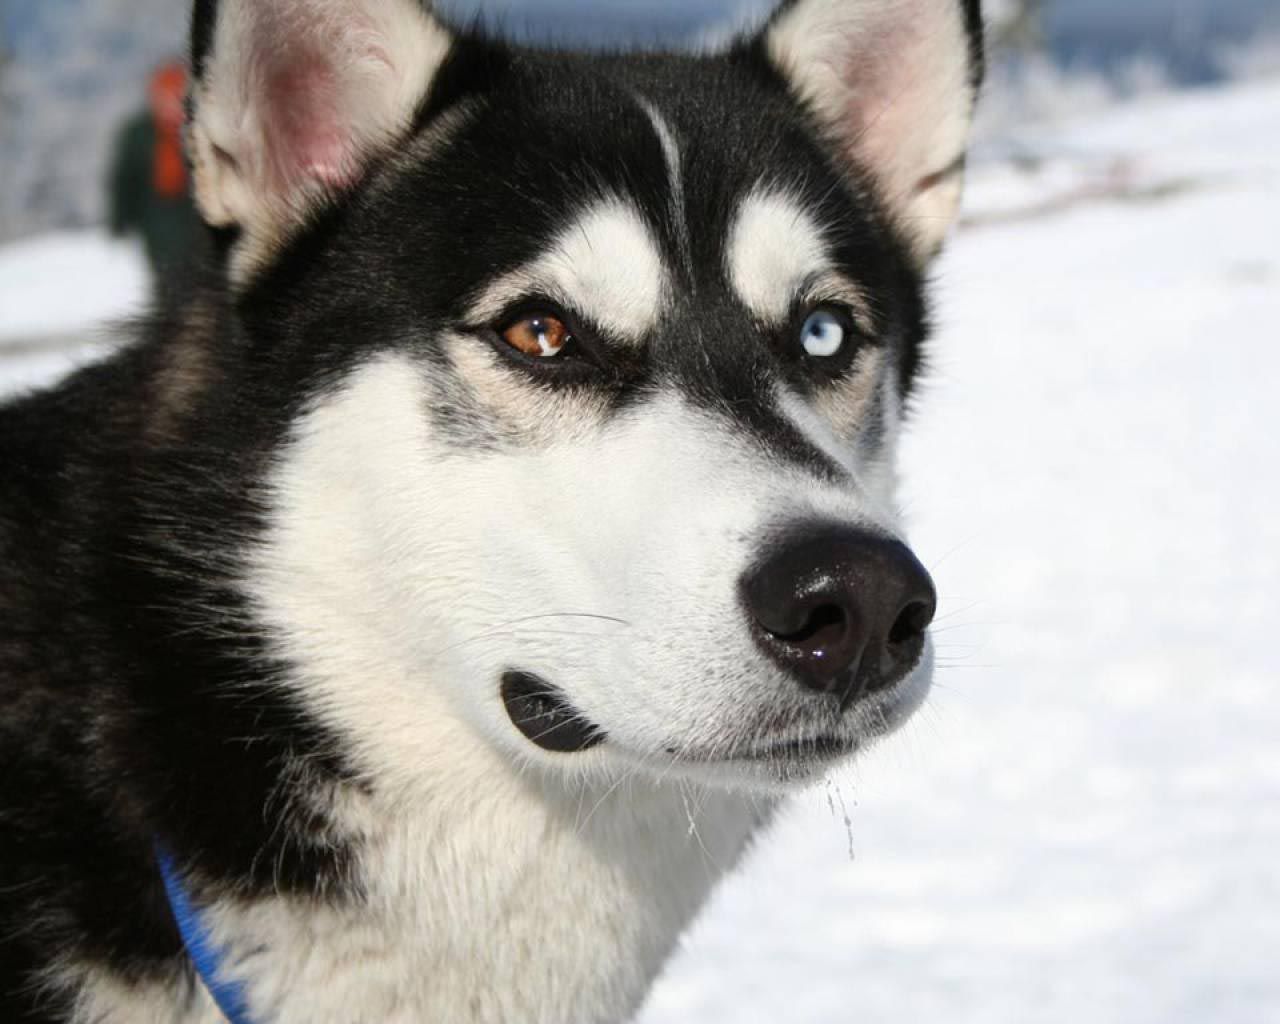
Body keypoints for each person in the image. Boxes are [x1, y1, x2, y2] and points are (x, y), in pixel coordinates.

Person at [107, 60, 201, 292]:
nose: (170, 103)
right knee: (166, 279)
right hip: (156, 222)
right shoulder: (139, 133)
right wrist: (120, 220)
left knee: (198, 278)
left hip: (194, 221)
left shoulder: (198, 127)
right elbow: (125, 180)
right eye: (165, 95)